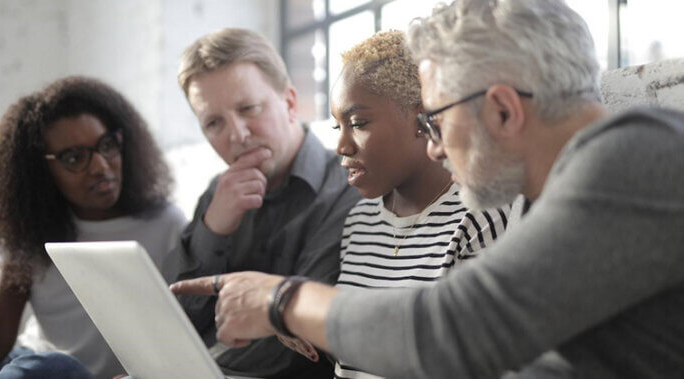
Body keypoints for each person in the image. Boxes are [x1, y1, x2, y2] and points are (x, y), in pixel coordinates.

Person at [170, 0, 684, 378]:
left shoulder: (635, 155)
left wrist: (281, 298)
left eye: (435, 119)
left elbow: (457, 328)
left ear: (503, 109)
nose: (435, 148)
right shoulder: (548, 199)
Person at [161, 28, 360, 378]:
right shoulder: (216, 194)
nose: (236, 134)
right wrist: (213, 229)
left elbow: (300, 343)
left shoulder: (347, 188)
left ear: (290, 102)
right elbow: (174, 319)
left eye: (248, 108)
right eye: (213, 122)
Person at [0, 76, 187, 379]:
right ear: (40, 172)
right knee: (53, 365)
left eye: (106, 145)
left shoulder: (167, 225)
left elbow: (183, 336)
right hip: (36, 366)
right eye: (74, 157)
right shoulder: (30, 230)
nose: (100, 166)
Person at [319, 30, 510, 378]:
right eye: (338, 126)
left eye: (358, 123)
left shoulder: (479, 218)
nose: (341, 146)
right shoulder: (358, 222)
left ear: (422, 119)